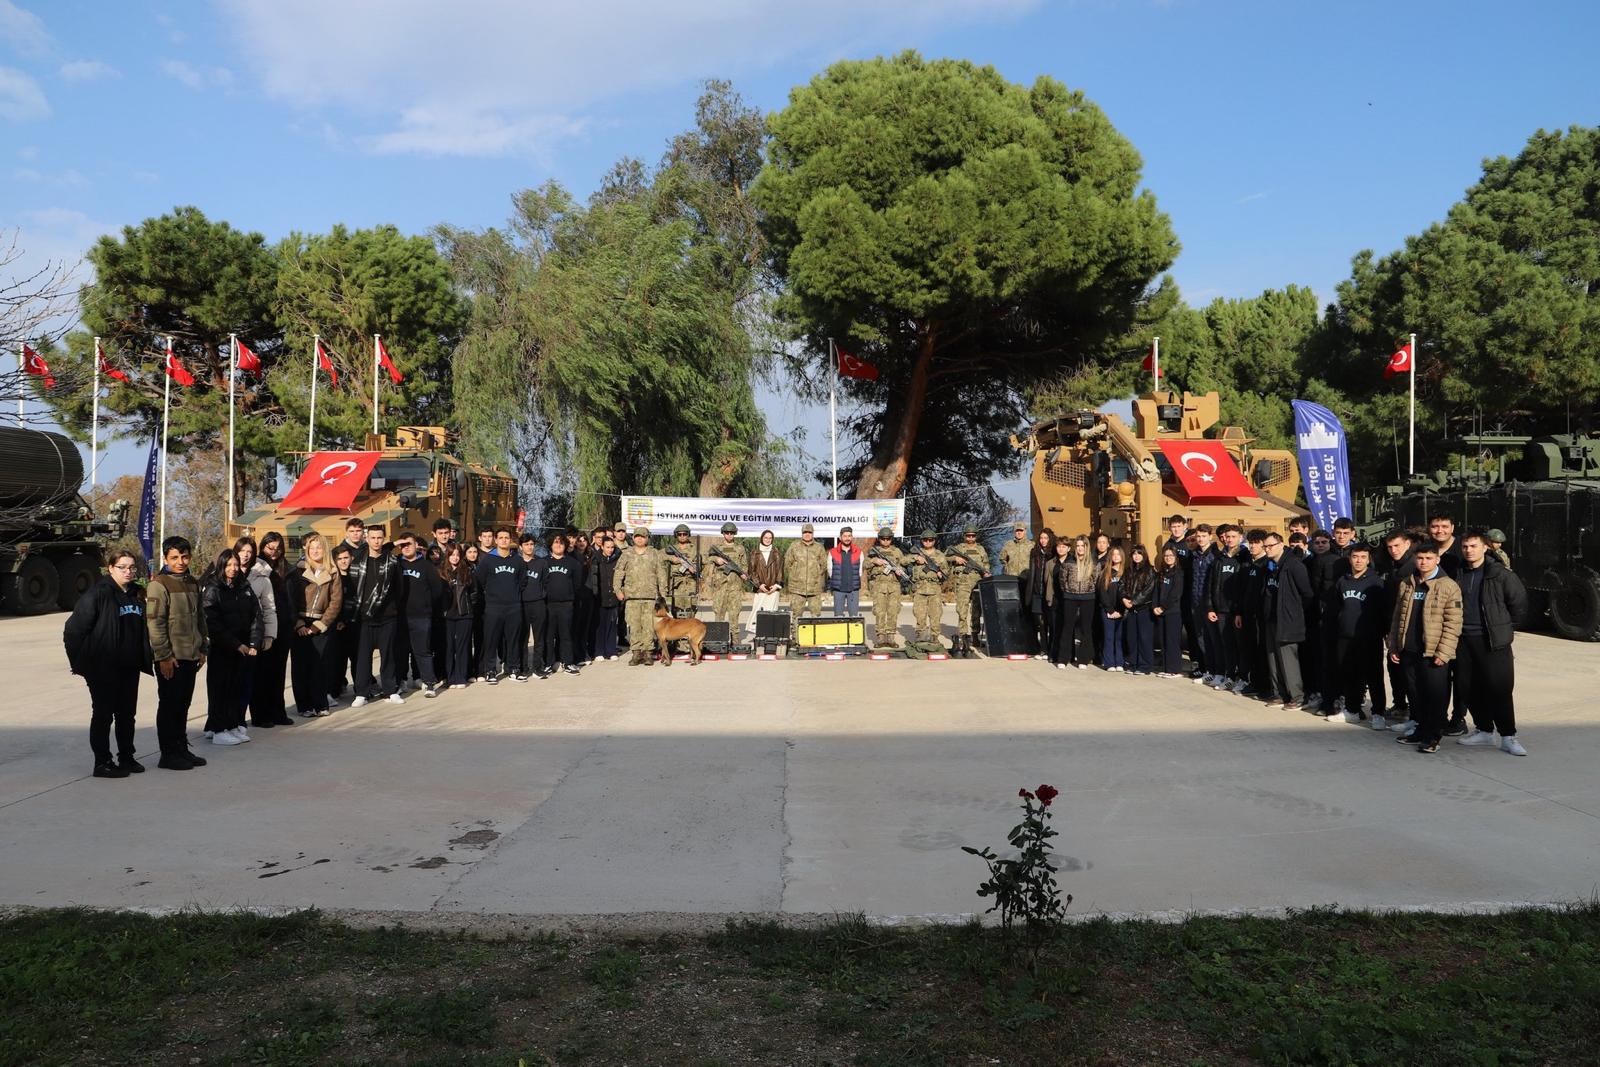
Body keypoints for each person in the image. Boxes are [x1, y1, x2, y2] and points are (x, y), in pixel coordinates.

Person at [63, 549, 154, 778]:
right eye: (122, 567)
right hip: (103, 668)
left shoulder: (136, 593)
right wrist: (81, 663)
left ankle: (127, 757)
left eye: (132, 567)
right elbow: (73, 631)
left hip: (129, 667)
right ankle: (102, 762)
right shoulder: (99, 594)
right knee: (103, 715)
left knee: (127, 715)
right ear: (110, 568)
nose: (128, 571)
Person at [1453, 531, 1529, 756]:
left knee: (1500, 689)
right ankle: (1484, 730)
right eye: (1465, 546)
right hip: (1464, 640)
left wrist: (1503, 628)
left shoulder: (1500, 574)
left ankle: (1508, 736)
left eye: (1473, 546)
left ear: (1485, 547)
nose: (1469, 550)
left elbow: (1519, 604)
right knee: (1468, 687)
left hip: (1493, 641)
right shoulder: (1458, 573)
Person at [1387, 544, 1463, 753]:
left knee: (1435, 696)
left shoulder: (1448, 586)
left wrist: (1444, 652)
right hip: (1409, 650)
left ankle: (1433, 736)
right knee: (1415, 694)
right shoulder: (1407, 583)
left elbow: (1453, 622)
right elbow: (1397, 618)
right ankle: (1420, 731)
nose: (1423, 562)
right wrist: (1394, 645)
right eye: (1420, 558)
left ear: (1437, 560)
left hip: (1432, 652)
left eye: (1429, 558)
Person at [145, 536, 210, 770]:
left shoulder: (192, 582)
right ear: (165, 559)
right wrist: (163, 656)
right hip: (171, 658)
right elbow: (155, 623)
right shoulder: (159, 584)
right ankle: (168, 754)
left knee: (183, 705)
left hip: (191, 655)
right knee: (170, 705)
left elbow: (200, 618)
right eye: (174, 558)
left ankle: (181, 748)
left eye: (184, 557)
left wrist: (203, 648)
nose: (180, 561)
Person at [201, 548, 262, 746]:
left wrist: (253, 643)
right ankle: (218, 729)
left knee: (236, 689)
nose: (233, 568)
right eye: (228, 565)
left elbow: (256, 615)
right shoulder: (213, 588)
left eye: (236, 564)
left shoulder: (244, 586)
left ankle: (232, 725)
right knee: (220, 690)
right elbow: (212, 622)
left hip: (243, 647)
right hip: (223, 648)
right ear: (221, 566)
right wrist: (236, 645)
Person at [1327, 543, 1385, 724]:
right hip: (1345, 637)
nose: (1358, 561)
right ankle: (1352, 709)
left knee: (1374, 676)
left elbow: (1383, 611)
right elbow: (1336, 608)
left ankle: (1378, 714)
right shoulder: (1343, 581)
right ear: (1350, 559)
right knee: (1350, 674)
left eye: (1362, 557)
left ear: (1368, 560)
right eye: (1355, 557)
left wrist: (1383, 633)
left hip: (1369, 638)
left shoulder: (1376, 582)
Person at [288, 533, 343, 718]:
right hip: (301, 624)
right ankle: (304, 705)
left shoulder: (333, 572)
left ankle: (320, 703)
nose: (315, 551)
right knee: (301, 667)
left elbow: (336, 601)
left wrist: (321, 624)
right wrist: (298, 623)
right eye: (312, 548)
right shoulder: (297, 570)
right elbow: (291, 599)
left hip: (320, 625)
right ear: (307, 550)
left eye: (319, 547)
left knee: (320, 666)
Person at [348, 524, 402, 706]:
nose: (376, 541)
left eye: (379, 538)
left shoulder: (392, 562)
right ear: (367, 538)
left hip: (387, 616)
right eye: (373, 537)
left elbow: (399, 589)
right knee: (363, 657)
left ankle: (390, 690)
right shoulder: (357, 561)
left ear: (384, 538)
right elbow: (352, 589)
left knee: (388, 655)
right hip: (364, 618)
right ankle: (361, 693)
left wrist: (393, 609)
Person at [1259, 532, 1312, 711]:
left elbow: (1307, 594)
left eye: (1270, 546)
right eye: (1265, 546)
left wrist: (1293, 612)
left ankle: (1297, 696)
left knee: (1288, 660)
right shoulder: (1270, 566)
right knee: (1273, 659)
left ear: (1281, 544)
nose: (1267, 549)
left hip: (1288, 620)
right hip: (1271, 619)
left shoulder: (1294, 566)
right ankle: (1279, 693)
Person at [233, 537, 281, 727]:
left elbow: (269, 608)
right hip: (230, 636)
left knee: (252, 680)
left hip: (253, 635)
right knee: (228, 682)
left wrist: (270, 634)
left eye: (249, 551)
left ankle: (255, 717)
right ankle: (222, 721)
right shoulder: (225, 572)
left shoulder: (262, 578)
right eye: (242, 550)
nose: (245, 555)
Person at [394, 531, 443, 698]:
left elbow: (437, 590)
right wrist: (395, 543)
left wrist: (426, 605)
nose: (406, 547)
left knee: (423, 651)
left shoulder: (426, 566)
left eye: (409, 544)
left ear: (417, 545)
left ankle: (429, 682)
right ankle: (400, 682)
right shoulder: (396, 564)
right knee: (400, 651)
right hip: (400, 617)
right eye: (403, 545)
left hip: (421, 616)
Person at [1377, 529, 1417, 728]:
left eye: (1397, 546)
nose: (1393, 550)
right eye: (1390, 547)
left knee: (1408, 671)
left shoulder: (1414, 567)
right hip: (1393, 627)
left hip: (1409, 630)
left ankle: (1414, 713)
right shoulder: (1393, 566)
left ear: (1407, 544)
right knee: (1394, 667)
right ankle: (1400, 705)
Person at [476, 532, 524, 684]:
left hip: (513, 607)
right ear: (496, 540)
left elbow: (522, 582)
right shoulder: (487, 560)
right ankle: (490, 670)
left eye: (507, 538)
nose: (504, 540)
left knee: (513, 639)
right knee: (491, 640)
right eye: (501, 538)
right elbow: (480, 580)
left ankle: (513, 669)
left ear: (511, 541)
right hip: (493, 607)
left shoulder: (518, 560)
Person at [614, 527, 667, 665]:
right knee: (634, 626)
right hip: (631, 597)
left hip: (650, 597)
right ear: (633, 538)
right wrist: (618, 590)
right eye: (637, 536)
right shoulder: (627, 554)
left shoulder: (654, 553)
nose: (639, 538)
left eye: (642, 536)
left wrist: (663, 593)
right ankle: (636, 653)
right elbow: (619, 572)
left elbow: (661, 574)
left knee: (649, 626)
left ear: (647, 538)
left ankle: (648, 653)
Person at [1205, 525, 1247, 692]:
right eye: (1227, 536)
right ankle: (1229, 676)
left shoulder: (1244, 559)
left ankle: (1243, 678)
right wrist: (1210, 607)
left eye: (1233, 536)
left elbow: (1244, 588)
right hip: (1221, 610)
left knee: (1241, 647)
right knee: (1226, 645)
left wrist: (1239, 611)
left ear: (1240, 538)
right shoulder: (1218, 560)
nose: (1229, 539)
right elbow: (1210, 586)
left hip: (1237, 612)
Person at [1048, 536, 1096, 670]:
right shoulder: (1068, 563)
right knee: (1067, 627)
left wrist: (1088, 591)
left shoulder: (1093, 563)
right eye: (1078, 546)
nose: (1080, 548)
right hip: (1070, 598)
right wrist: (1069, 591)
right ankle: (1064, 658)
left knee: (1086, 629)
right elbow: (1062, 580)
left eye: (1083, 546)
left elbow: (1095, 579)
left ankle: (1083, 659)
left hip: (1088, 598)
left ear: (1086, 547)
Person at [440, 543, 478, 689]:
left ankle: (461, 677)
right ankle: (450, 678)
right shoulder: (441, 572)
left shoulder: (467, 571)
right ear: (447, 556)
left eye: (457, 555)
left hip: (464, 615)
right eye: (452, 555)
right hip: (447, 615)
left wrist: (470, 607)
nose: (455, 558)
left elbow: (474, 593)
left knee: (462, 647)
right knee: (449, 647)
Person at [543, 534, 583, 674]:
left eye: (561, 543)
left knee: (566, 635)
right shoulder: (544, 562)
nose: (558, 545)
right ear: (550, 545)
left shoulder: (573, 563)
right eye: (555, 543)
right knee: (548, 636)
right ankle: (548, 663)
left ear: (565, 545)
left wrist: (569, 597)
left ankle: (568, 662)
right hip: (548, 605)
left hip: (566, 604)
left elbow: (577, 584)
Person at [947, 525, 989, 657]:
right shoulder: (959, 548)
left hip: (977, 583)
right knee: (962, 609)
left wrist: (986, 572)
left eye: (973, 536)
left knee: (976, 610)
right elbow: (945, 557)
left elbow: (986, 563)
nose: (970, 538)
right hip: (963, 583)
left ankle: (975, 636)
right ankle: (963, 636)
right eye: (968, 535)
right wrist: (955, 559)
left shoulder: (980, 549)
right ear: (964, 536)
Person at [866, 527, 907, 648]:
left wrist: (901, 571)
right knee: (879, 612)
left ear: (891, 539)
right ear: (879, 539)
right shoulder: (874, 551)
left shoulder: (897, 551)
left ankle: (891, 637)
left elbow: (903, 564)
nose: (885, 541)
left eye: (888, 539)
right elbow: (865, 564)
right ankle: (880, 637)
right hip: (879, 585)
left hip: (894, 586)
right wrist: (874, 560)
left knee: (893, 611)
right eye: (883, 539)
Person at [513, 533, 547, 680]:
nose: (529, 547)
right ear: (521, 547)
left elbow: (546, 582)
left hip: (538, 603)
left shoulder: (541, 563)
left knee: (540, 638)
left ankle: (537, 667)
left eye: (532, 544)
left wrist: (541, 595)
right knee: (523, 638)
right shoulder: (516, 562)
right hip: (521, 604)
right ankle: (523, 668)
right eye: (526, 544)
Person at [328, 542, 358, 704]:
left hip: (355, 624)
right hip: (337, 626)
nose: (344, 561)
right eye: (340, 559)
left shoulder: (357, 575)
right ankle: (334, 690)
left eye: (346, 558)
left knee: (357, 658)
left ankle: (361, 689)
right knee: (337, 661)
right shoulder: (333, 577)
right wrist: (339, 620)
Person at [1188, 524, 1219, 684]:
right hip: (1196, 602)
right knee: (1201, 638)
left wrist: (1211, 605)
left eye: (1203, 536)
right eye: (1198, 536)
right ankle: (1207, 669)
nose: (1200, 539)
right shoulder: (1195, 555)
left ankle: (1216, 671)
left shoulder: (1214, 556)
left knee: (1212, 639)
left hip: (1208, 604)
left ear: (1210, 537)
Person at [706, 522, 749, 633]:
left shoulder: (740, 548)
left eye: (732, 533)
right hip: (720, 586)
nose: (729, 535)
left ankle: (735, 640)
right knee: (719, 612)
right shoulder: (718, 548)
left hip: (735, 587)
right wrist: (716, 559)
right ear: (723, 533)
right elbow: (705, 559)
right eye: (727, 533)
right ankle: (719, 639)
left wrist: (744, 573)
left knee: (734, 614)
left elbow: (744, 565)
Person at [907, 530, 947, 646]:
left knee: (936, 614)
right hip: (920, 588)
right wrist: (915, 558)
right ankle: (921, 635)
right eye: (925, 540)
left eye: (931, 540)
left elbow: (946, 571)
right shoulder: (917, 553)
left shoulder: (940, 555)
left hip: (934, 588)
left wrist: (940, 573)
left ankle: (934, 636)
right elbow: (903, 561)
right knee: (919, 614)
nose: (928, 542)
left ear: (934, 541)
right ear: (922, 541)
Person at [1121, 544, 1156, 674]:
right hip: (1130, 609)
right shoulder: (1128, 570)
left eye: (1139, 553)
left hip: (1144, 609)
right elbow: (1122, 585)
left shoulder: (1150, 571)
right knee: (1132, 637)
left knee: (1144, 638)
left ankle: (1145, 665)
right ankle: (1132, 663)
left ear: (1144, 555)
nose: (1137, 556)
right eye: (1134, 554)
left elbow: (1148, 590)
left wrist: (1134, 601)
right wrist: (1124, 599)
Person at [784, 523, 828, 622]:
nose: (807, 534)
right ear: (802, 533)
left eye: (809, 532)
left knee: (816, 616)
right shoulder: (794, 546)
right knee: (796, 616)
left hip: (814, 588)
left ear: (813, 533)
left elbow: (823, 565)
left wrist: (816, 575)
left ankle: (814, 637)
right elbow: (787, 564)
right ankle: (796, 637)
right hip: (797, 588)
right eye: (805, 532)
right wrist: (796, 574)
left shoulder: (819, 547)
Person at [1154, 544, 1186, 678]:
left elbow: (1175, 594)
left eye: (1171, 556)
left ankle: (1175, 669)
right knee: (1163, 640)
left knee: (1172, 640)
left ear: (1176, 557)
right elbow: (1157, 591)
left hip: (1173, 612)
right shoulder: (1163, 571)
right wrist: (1155, 606)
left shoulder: (1178, 573)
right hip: (1161, 612)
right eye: (1166, 556)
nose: (1168, 558)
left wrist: (1163, 607)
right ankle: (1167, 668)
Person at [1026, 529, 1057, 659]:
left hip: (1049, 593)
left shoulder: (1054, 553)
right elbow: (1033, 573)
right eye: (1041, 538)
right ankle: (1043, 649)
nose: (1043, 540)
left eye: (1046, 538)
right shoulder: (1035, 553)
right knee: (1041, 622)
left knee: (1051, 622)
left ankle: (1052, 649)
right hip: (1037, 592)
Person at [590, 531, 621, 661]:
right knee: (599, 626)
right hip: (600, 599)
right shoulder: (595, 559)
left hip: (613, 598)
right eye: (607, 547)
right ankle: (599, 651)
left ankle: (611, 650)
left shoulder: (617, 560)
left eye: (612, 547)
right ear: (602, 546)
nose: (610, 549)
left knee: (612, 624)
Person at [748, 529, 783, 639]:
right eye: (765, 538)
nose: (768, 540)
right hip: (761, 589)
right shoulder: (755, 553)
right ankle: (758, 637)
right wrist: (759, 585)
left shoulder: (776, 553)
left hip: (773, 590)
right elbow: (751, 571)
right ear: (762, 538)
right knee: (758, 613)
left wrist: (776, 585)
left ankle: (770, 637)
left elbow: (780, 570)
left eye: (770, 538)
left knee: (772, 614)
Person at [1097, 545, 1126, 671]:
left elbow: (1127, 592)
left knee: (1119, 637)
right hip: (1107, 611)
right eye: (1113, 555)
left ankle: (1119, 662)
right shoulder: (1105, 572)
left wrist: (1120, 611)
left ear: (1122, 556)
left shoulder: (1126, 572)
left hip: (1121, 611)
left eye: (1118, 554)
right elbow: (1102, 592)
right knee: (1109, 637)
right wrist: (1110, 610)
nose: (1116, 557)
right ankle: (1109, 663)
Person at [664, 524, 702, 619]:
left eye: (684, 534)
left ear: (688, 535)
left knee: (691, 610)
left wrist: (694, 568)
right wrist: (672, 558)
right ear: (676, 535)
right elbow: (660, 556)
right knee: (676, 610)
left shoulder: (694, 549)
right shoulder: (672, 548)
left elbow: (701, 562)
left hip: (690, 583)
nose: (682, 536)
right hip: (677, 584)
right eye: (679, 534)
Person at [827, 526, 863, 618]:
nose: (847, 538)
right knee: (838, 617)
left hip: (853, 590)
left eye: (849, 536)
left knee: (854, 617)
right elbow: (830, 571)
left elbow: (860, 571)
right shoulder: (832, 552)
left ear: (852, 537)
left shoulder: (859, 552)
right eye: (845, 536)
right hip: (838, 590)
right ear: (840, 537)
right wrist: (837, 582)